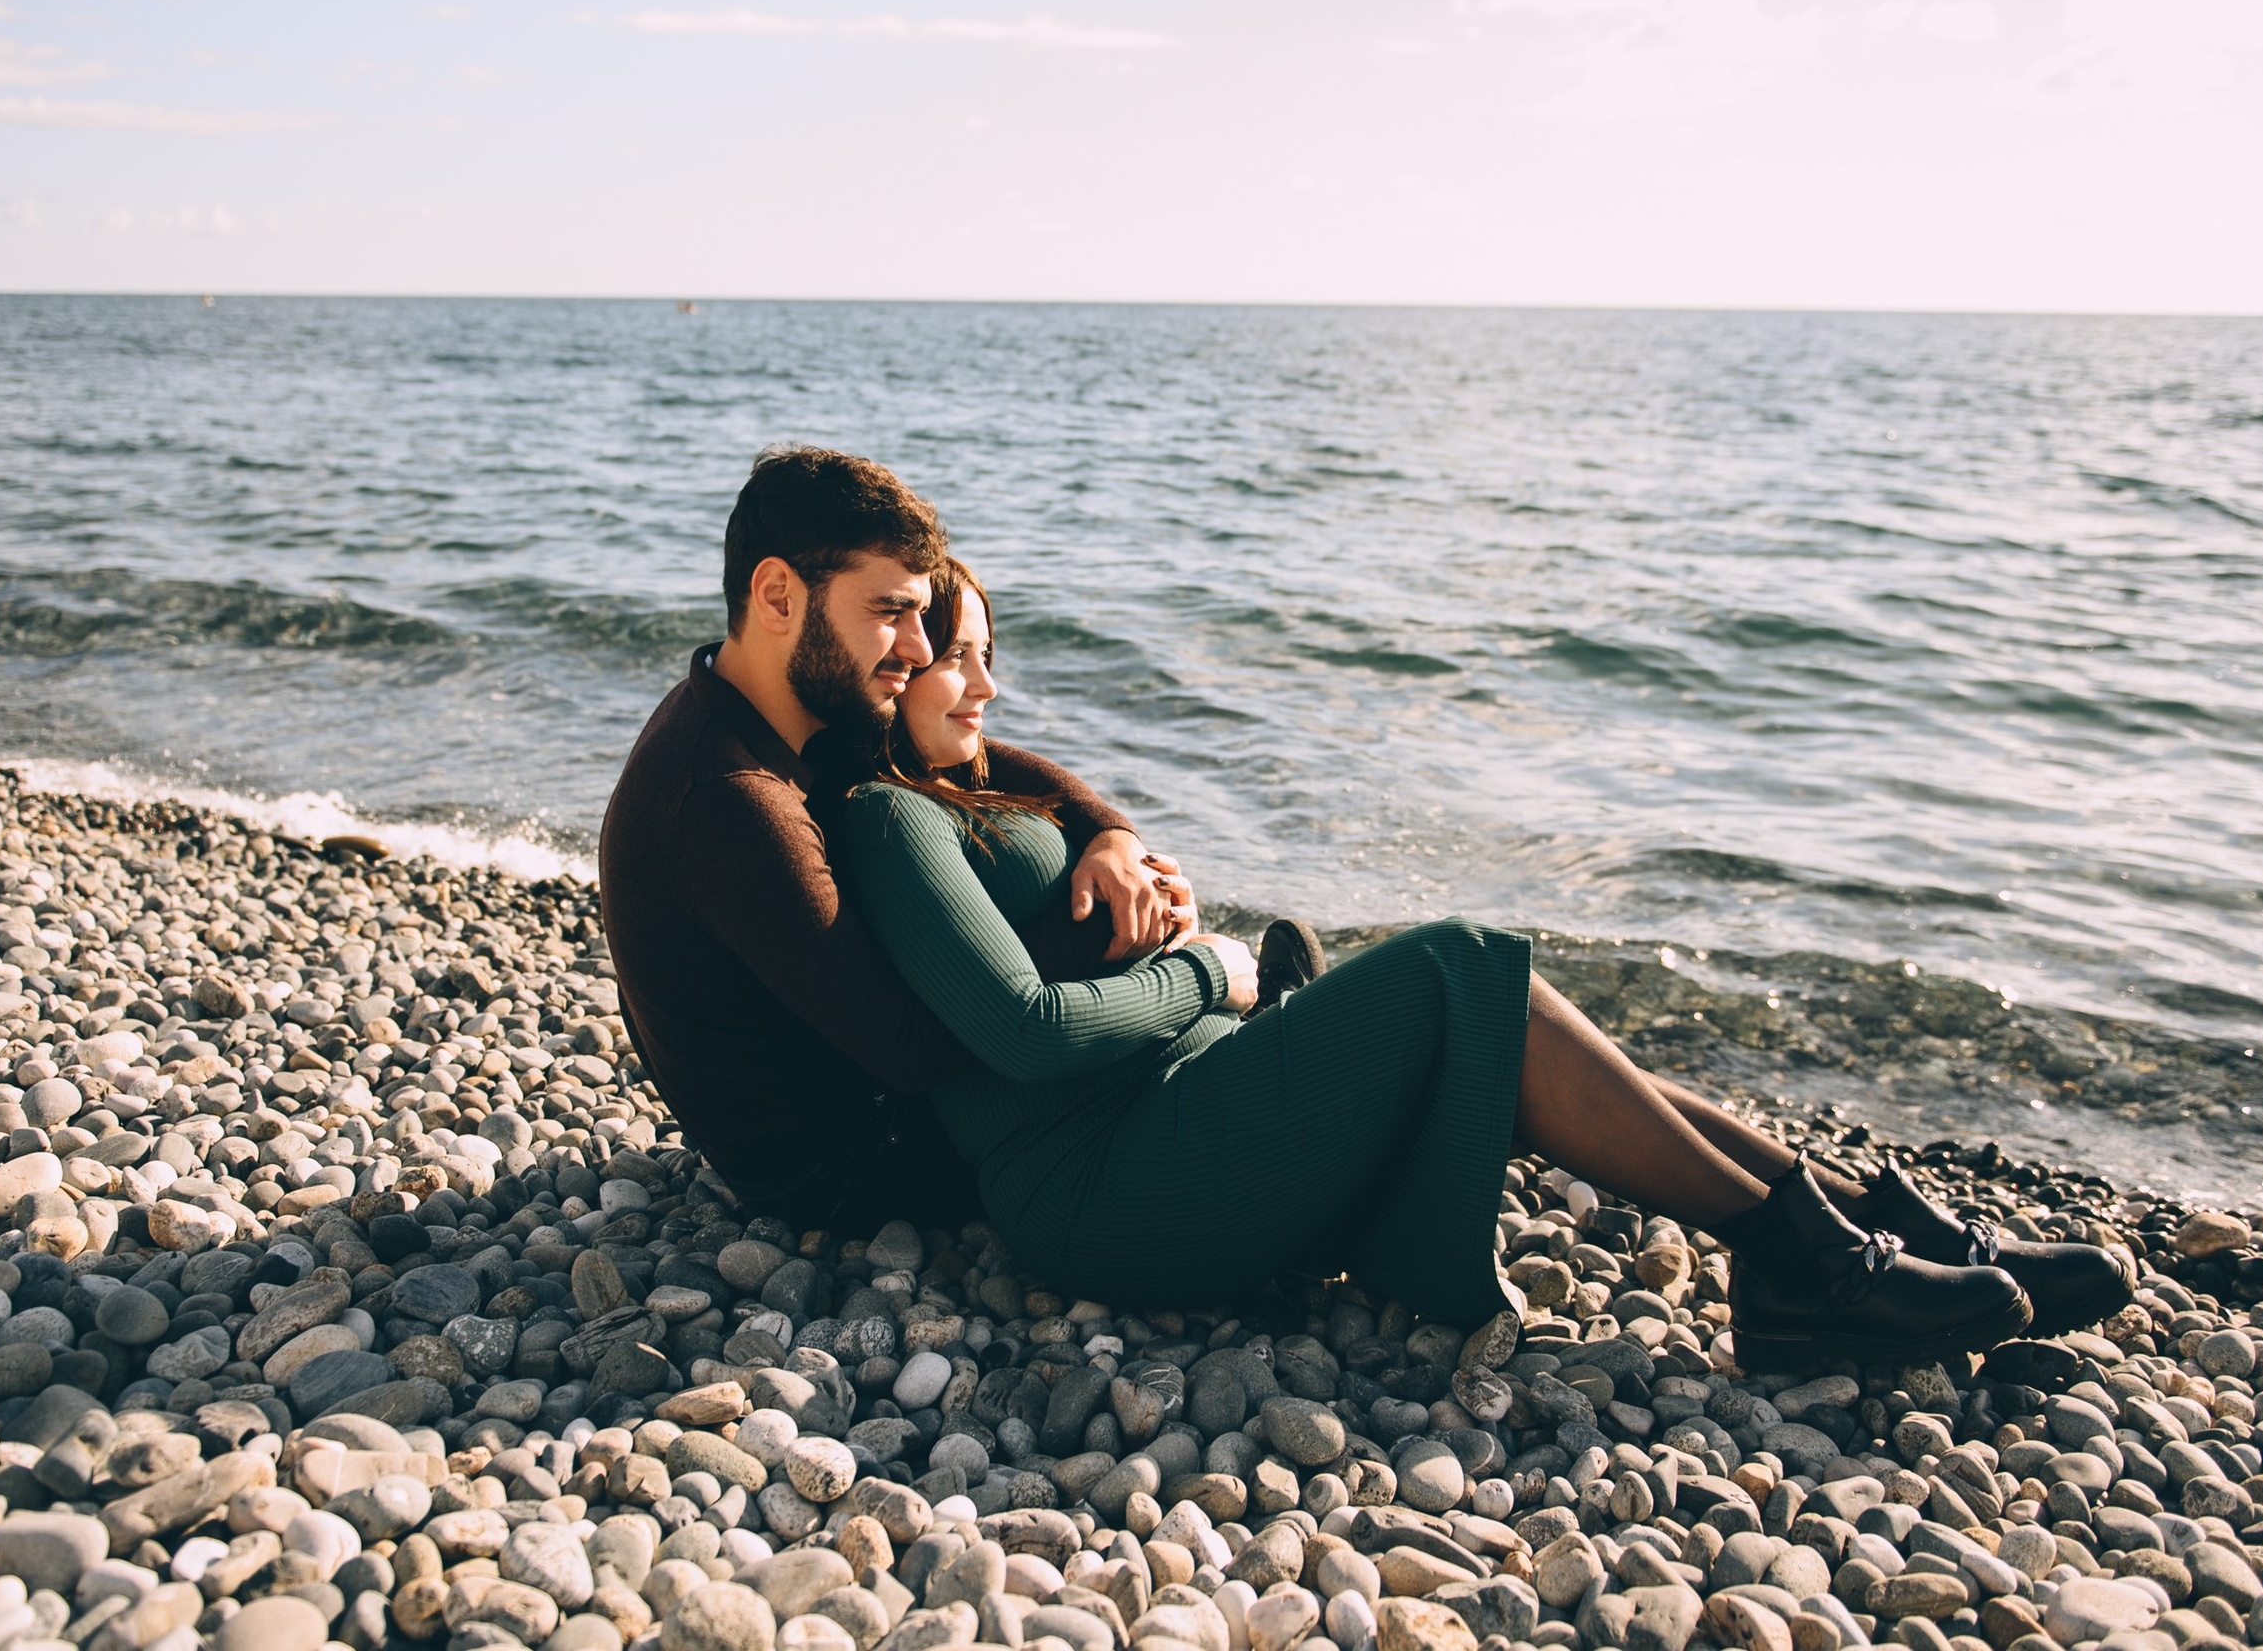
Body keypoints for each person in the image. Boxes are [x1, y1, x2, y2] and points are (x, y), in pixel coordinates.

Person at [828, 551, 2137, 1367]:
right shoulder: (891, 818)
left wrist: (1114, 844)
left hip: (1186, 1114)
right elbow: (1026, 1037)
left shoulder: (987, 790)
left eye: (995, 656)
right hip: (1106, 1190)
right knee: (1461, 965)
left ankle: (1835, 1223)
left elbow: (1046, 839)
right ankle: (1815, 1262)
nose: (984, 684)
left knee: (1485, 1017)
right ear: (892, 662)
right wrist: (1208, 975)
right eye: (953, 655)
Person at [597, 446, 1199, 1232]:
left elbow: (966, 751)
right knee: (1182, 1078)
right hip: (856, 1169)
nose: (917, 649)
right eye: (890, 612)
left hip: (865, 1105)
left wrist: (1109, 836)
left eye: (921, 615)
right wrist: (1128, 941)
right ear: (778, 594)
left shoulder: (754, 707)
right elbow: (915, 1045)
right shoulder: (730, 799)